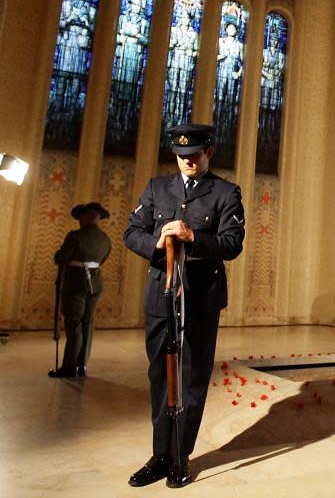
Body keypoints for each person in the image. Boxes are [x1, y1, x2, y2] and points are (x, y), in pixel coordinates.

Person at [124, 124, 245, 488]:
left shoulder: (225, 193)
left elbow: (232, 244)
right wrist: (157, 243)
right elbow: (132, 232)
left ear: (209, 152)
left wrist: (194, 237)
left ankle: (180, 455)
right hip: (162, 293)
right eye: (181, 157)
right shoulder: (157, 188)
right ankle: (160, 454)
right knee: (160, 375)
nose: (187, 162)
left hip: (201, 296)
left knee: (190, 378)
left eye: (194, 155)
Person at [48, 202, 112, 378]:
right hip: (96, 283)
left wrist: (59, 254)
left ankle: (69, 366)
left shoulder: (75, 235)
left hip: (76, 283)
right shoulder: (105, 238)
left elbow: (61, 258)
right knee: (87, 323)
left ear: (84, 217)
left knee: (74, 323)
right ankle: (81, 365)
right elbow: (103, 259)